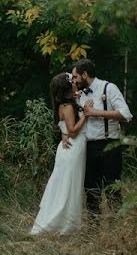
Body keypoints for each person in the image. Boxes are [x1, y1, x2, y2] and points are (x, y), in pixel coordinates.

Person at [30, 72, 93, 235]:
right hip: (73, 147)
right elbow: (72, 131)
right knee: (68, 186)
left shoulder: (64, 104)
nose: (74, 82)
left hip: (68, 148)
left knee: (64, 184)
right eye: (72, 81)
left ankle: (64, 222)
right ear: (67, 86)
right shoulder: (68, 106)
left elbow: (64, 128)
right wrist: (86, 115)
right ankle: (64, 225)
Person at [71, 58, 133, 215]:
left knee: (112, 188)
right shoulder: (79, 94)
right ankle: (94, 229)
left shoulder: (109, 88)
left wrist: (96, 112)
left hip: (109, 145)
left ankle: (117, 228)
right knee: (90, 190)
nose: (74, 81)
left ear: (85, 74)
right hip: (87, 147)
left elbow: (126, 115)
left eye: (76, 77)